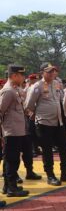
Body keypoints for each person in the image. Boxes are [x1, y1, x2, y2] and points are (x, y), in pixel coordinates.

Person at [25, 62, 66, 186]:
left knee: (64, 147)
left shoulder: (57, 84)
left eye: (53, 71)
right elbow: (28, 105)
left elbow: (61, 100)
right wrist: (36, 117)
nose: (52, 73)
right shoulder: (37, 86)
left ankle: (65, 173)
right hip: (44, 123)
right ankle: (50, 175)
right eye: (49, 71)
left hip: (58, 121)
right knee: (47, 150)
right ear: (42, 73)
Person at [0, 64, 30, 198]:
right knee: (12, 160)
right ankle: (12, 188)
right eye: (21, 75)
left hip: (17, 130)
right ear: (14, 76)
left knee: (10, 159)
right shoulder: (8, 91)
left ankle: (8, 186)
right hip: (11, 131)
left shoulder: (15, 89)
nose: (24, 77)